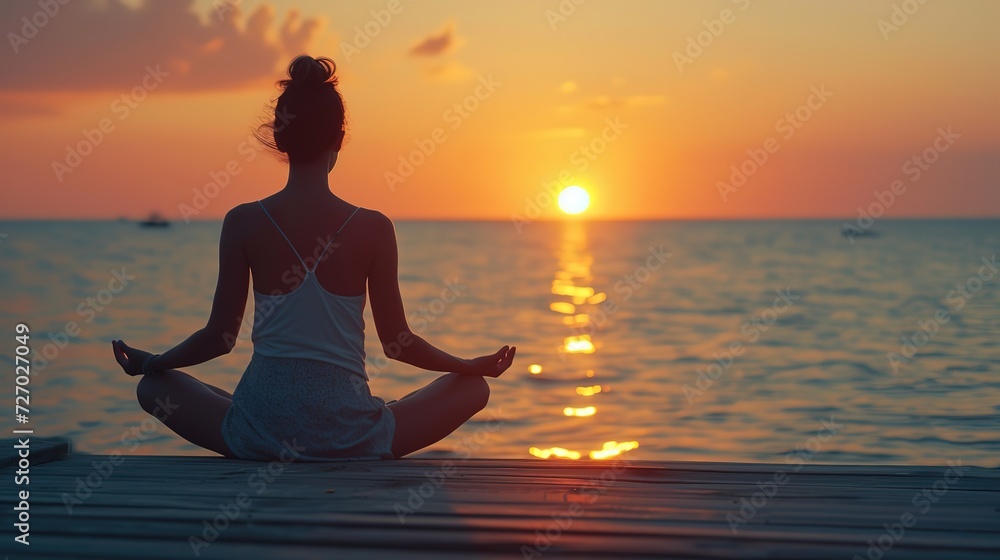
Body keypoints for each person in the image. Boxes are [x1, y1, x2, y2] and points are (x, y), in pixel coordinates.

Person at [111, 55, 515, 460]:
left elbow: (219, 338)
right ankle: (370, 420)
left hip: (260, 435)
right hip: (350, 438)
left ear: (279, 137)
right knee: (473, 388)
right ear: (339, 139)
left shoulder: (243, 221)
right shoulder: (374, 227)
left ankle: (258, 423)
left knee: (154, 387)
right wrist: (468, 365)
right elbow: (397, 345)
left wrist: (155, 362)